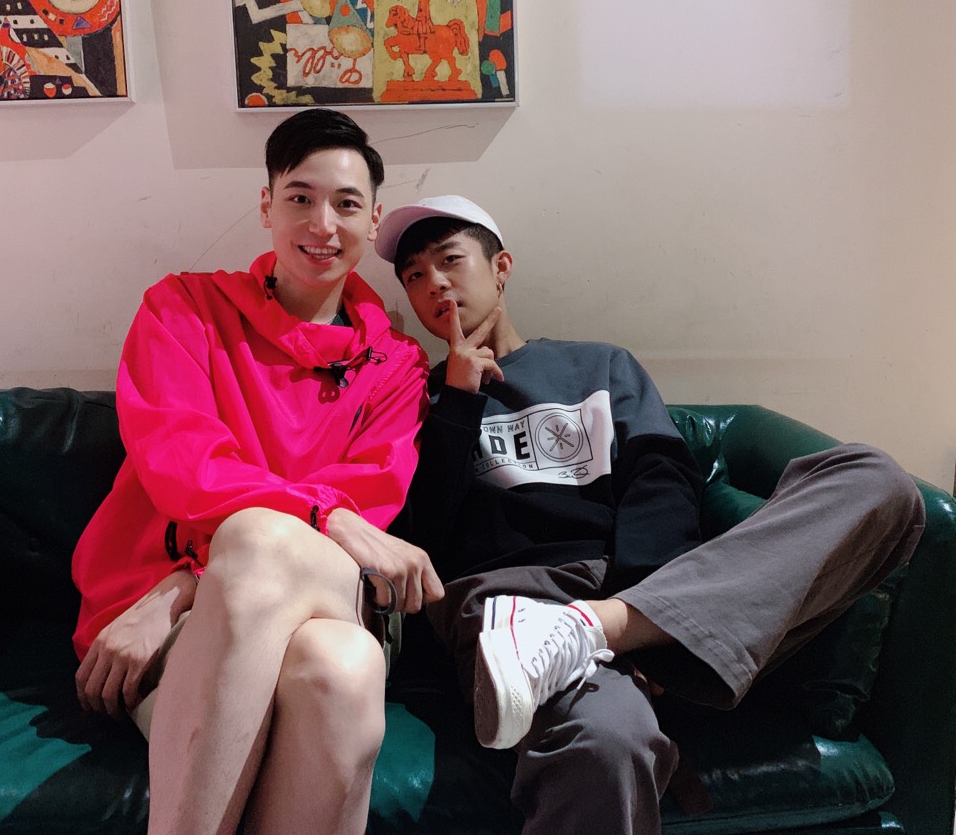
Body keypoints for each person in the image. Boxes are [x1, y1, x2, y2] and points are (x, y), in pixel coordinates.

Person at [374, 195, 925, 835]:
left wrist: (640, 605)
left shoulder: (599, 365)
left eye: (450, 260)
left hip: (637, 592)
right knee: (610, 744)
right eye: (414, 275)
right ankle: (605, 636)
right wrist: (458, 402)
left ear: (501, 268)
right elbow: (422, 540)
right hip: (511, 613)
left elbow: (660, 479)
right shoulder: (416, 397)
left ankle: (602, 627)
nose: (435, 283)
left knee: (878, 481)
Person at [72, 109, 443, 835]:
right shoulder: (183, 310)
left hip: (312, 591)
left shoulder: (397, 366)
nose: (322, 224)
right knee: (343, 667)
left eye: (346, 204)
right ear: (267, 206)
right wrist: (322, 515)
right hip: (174, 620)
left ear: (372, 221)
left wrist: (188, 584)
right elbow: (185, 467)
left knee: (263, 542)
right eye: (301, 198)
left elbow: (365, 511)